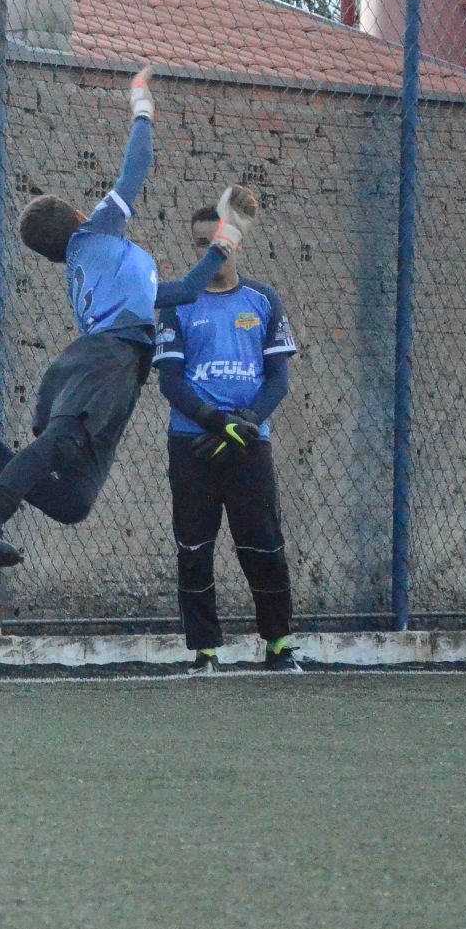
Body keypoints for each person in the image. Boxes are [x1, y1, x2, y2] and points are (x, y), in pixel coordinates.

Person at [0, 67, 242, 567]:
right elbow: (137, 165)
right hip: (107, 360)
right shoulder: (95, 237)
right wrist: (142, 104)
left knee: (74, 503)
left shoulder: (107, 272)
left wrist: (225, 240)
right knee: (57, 445)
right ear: (82, 219)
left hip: (114, 365)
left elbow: (185, 291)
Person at [152, 190, 300, 672]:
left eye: (214, 241)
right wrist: (217, 422)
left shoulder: (264, 300)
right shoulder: (177, 303)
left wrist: (248, 422)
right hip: (192, 443)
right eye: (198, 244)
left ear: (234, 241)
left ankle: (278, 646)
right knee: (194, 547)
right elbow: (171, 382)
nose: (208, 252)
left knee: (263, 544)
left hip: (249, 442)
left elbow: (278, 378)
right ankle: (205, 652)